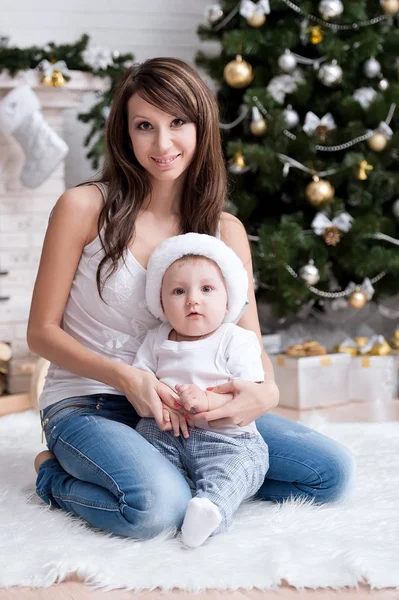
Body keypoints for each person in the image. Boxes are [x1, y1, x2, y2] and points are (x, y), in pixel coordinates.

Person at [28, 57, 355, 540]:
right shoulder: (84, 207)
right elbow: (41, 333)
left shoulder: (225, 231)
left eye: (177, 122)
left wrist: (267, 393)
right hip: (90, 403)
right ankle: (53, 473)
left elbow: (251, 343)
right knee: (155, 510)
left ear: (201, 127)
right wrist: (127, 377)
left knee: (329, 473)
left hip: (192, 411)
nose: (163, 144)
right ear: (126, 134)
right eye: (145, 126)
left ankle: (184, 474)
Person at [133, 232, 270, 547]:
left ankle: (210, 510)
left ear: (227, 302)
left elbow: (249, 391)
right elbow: (142, 379)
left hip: (225, 440)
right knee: (146, 446)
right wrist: (158, 401)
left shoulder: (235, 339)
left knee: (238, 469)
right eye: (179, 291)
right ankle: (177, 495)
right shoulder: (157, 339)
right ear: (163, 305)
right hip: (166, 432)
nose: (193, 299)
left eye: (207, 289)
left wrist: (208, 399)